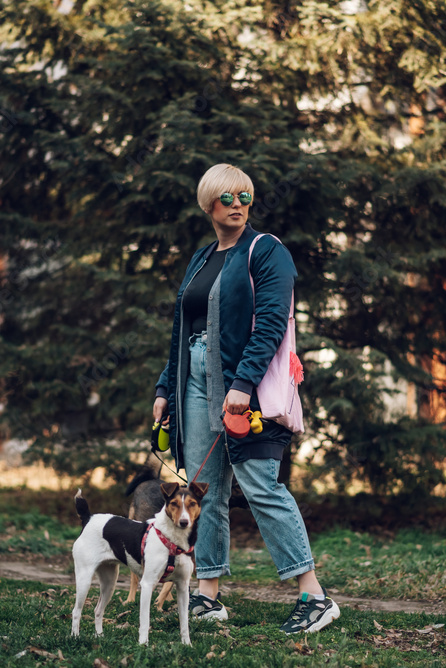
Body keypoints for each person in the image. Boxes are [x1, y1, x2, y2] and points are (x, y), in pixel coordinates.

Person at [153, 163, 340, 634]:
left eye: (245, 196)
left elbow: (273, 323)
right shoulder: (201, 258)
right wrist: (163, 389)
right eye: (227, 197)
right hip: (193, 382)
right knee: (203, 491)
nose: (237, 204)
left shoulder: (266, 251)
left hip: (243, 384)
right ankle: (208, 595)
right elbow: (184, 330)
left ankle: (314, 596)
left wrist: (242, 383)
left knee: (261, 485)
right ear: (208, 204)